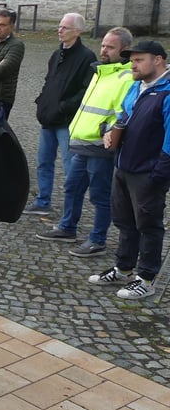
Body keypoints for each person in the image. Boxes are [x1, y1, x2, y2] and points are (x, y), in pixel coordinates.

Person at [37, 28, 134, 256]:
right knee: (72, 186)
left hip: (101, 147)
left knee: (100, 195)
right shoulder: (100, 72)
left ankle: (97, 240)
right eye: (103, 45)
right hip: (82, 142)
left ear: (125, 50)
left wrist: (105, 133)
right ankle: (67, 227)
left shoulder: (126, 77)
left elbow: (123, 114)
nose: (103, 50)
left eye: (110, 47)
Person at [88, 40, 170, 300]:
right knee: (125, 222)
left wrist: (158, 175)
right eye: (131, 60)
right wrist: (108, 132)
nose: (132, 65)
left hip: (147, 172)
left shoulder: (167, 93)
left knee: (149, 225)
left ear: (158, 60)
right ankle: (124, 268)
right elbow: (121, 117)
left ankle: (146, 279)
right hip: (124, 166)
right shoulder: (136, 87)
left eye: (138, 60)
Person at [25, 13, 96, 215]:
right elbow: (49, 81)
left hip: (66, 121)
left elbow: (86, 90)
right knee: (43, 162)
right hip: (48, 118)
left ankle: (70, 209)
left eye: (65, 27)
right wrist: (42, 102)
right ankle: (43, 201)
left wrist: (64, 107)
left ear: (77, 31)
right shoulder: (56, 54)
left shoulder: (87, 57)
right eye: (59, 26)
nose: (60, 30)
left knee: (70, 166)